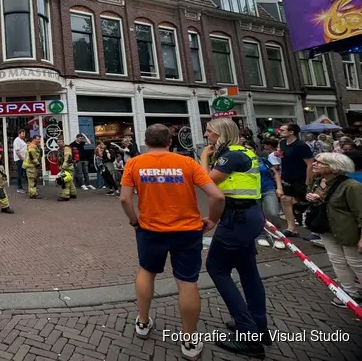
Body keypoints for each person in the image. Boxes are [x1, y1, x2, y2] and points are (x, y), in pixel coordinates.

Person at [120, 124, 225, 360]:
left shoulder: (134, 163)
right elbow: (217, 195)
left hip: (150, 230)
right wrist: (212, 220)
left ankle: (144, 322)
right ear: (170, 142)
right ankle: (189, 340)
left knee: (147, 272)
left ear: (146, 142)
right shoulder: (187, 163)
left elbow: (125, 200)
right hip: (187, 231)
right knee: (187, 282)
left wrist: (135, 222)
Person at [201, 118, 268, 358]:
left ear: (220, 134)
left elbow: (205, 181)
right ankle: (259, 325)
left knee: (216, 268)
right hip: (247, 215)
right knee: (248, 269)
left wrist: (203, 156)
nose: (206, 135)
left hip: (236, 219)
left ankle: (248, 333)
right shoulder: (242, 152)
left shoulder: (230, 155)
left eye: (209, 132)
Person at [306, 153, 362, 307]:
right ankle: (350, 293)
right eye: (316, 161)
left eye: (321, 163)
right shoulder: (318, 181)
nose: (315, 164)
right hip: (327, 228)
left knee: (357, 263)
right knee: (337, 260)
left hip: (348, 231)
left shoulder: (352, 186)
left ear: (334, 168)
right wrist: (313, 198)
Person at [278, 123, 314, 237]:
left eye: (282, 130)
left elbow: (310, 164)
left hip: (300, 177)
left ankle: (315, 228)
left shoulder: (301, 145)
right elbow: (282, 156)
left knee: (306, 201)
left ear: (291, 132)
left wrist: (308, 180)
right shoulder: (282, 143)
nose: (279, 131)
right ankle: (291, 228)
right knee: (285, 200)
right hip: (286, 176)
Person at [256, 139, 285, 249]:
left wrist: (279, 187)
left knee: (273, 213)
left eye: (250, 149)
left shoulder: (263, 160)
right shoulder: (241, 163)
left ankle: (278, 235)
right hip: (252, 191)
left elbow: (275, 173)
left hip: (268, 188)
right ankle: (261, 235)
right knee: (258, 215)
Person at [22, 134, 42, 198]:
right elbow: (32, 157)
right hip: (31, 166)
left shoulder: (34, 146)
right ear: (34, 139)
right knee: (32, 180)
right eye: (38, 139)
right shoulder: (32, 146)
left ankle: (33, 193)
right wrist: (37, 164)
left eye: (39, 139)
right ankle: (33, 194)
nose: (39, 140)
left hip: (31, 166)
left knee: (32, 180)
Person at [13, 129, 27, 194]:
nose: (24, 135)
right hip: (20, 160)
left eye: (24, 134)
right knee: (20, 173)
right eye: (22, 134)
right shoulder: (17, 140)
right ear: (19, 134)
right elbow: (17, 151)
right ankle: (19, 188)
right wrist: (21, 158)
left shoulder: (21, 140)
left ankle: (31, 186)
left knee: (25, 173)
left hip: (23, 159)